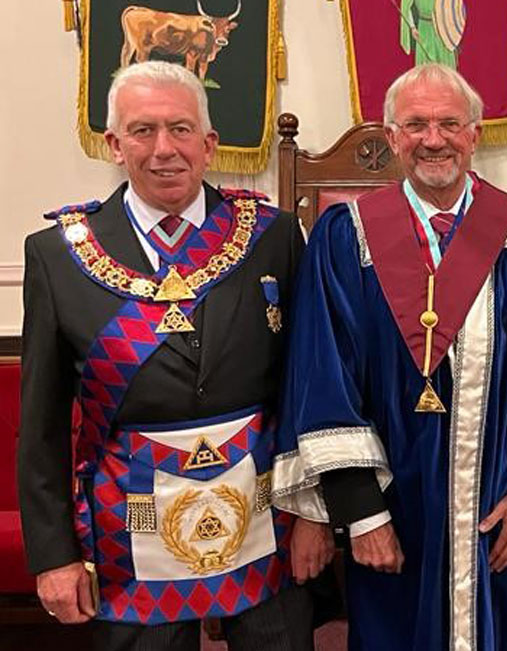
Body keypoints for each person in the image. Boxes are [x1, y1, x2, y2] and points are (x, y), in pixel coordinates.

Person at [269, 63, 507, 651]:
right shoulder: (345, 236)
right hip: (392, 507)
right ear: (391, 138)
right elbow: (322, 377)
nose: (434, 139)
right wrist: (362, 514)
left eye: (449, 123)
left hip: (496, 504)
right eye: (416, 125)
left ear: (475, 134)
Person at [18, 60, 310, 650]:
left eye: (180, 129)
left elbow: (306, 387)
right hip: (129, 528)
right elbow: (42, 426)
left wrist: (313, 514)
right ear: (114, 145)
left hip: (264, 520)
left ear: (209, 144)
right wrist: (54, 557)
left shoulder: (272, 237)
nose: (163, 150)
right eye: (142, 130)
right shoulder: (57, 255)